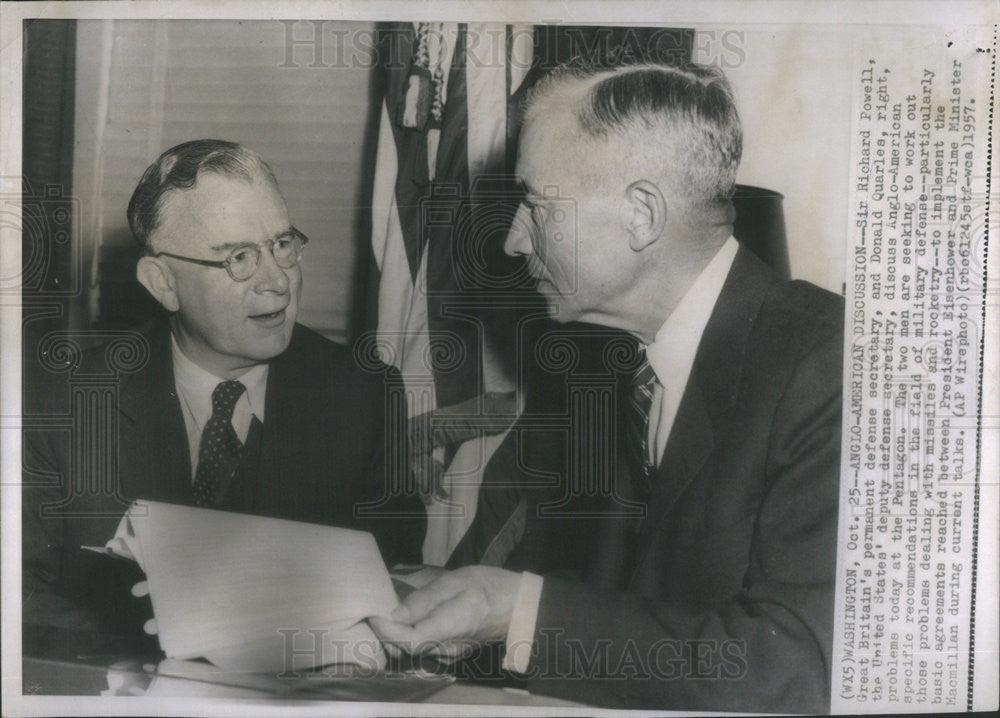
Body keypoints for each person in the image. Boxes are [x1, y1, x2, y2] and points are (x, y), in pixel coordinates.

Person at [369, 62, 843, 713]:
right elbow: (634, 613)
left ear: (641, 215)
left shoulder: (830, 367)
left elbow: (799, 669)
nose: (511, 240)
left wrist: (520, 614)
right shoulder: (619, 367)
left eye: (535, 204)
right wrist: (471, 604)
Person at [22, 140, 425, 635]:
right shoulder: (58, 402)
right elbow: (20, 596)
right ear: (163, 281)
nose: (278, 281)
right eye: (239, 258)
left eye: (282, 244)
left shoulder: (362, 394)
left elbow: (396, 584)